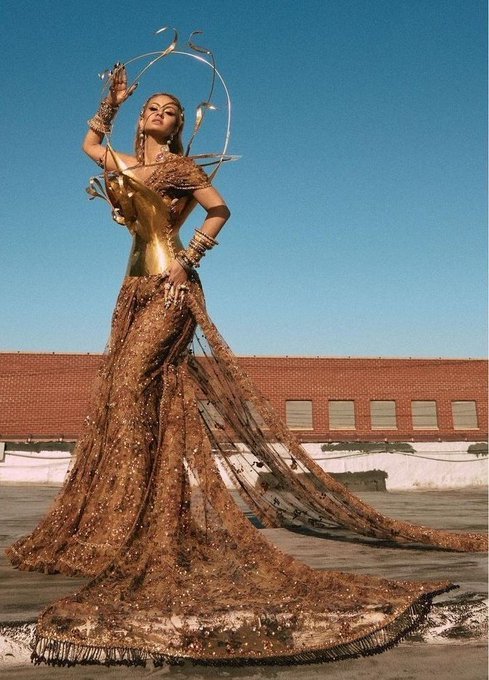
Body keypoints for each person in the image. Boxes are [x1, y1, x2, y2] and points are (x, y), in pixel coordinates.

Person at [6, 64, 487, 668]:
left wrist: (190, 260)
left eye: (169, 109)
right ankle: (130, 517)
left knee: (129, 389)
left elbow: (219, 209)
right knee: (128, 399)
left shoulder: (182, 169)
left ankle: (141, 517)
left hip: (171, 289)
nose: (158, 113)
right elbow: (90, 146)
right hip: (131, 290)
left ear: (181, 125)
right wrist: (111, 100)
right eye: (151, 107)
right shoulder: (128, 166)